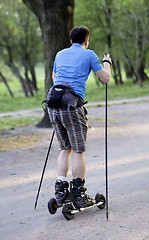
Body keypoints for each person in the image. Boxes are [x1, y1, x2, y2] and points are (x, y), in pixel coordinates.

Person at [47, 26, 111, 208]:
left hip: (53, 104)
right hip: (72, 106)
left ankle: (60, 191)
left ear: (70, 41)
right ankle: (78, 193)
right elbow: (105, 78)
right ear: (87, 40)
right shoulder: (89, 54)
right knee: (78, 150)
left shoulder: (59, 54)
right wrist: (107, 63)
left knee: (65, 148)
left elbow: (54, 77)